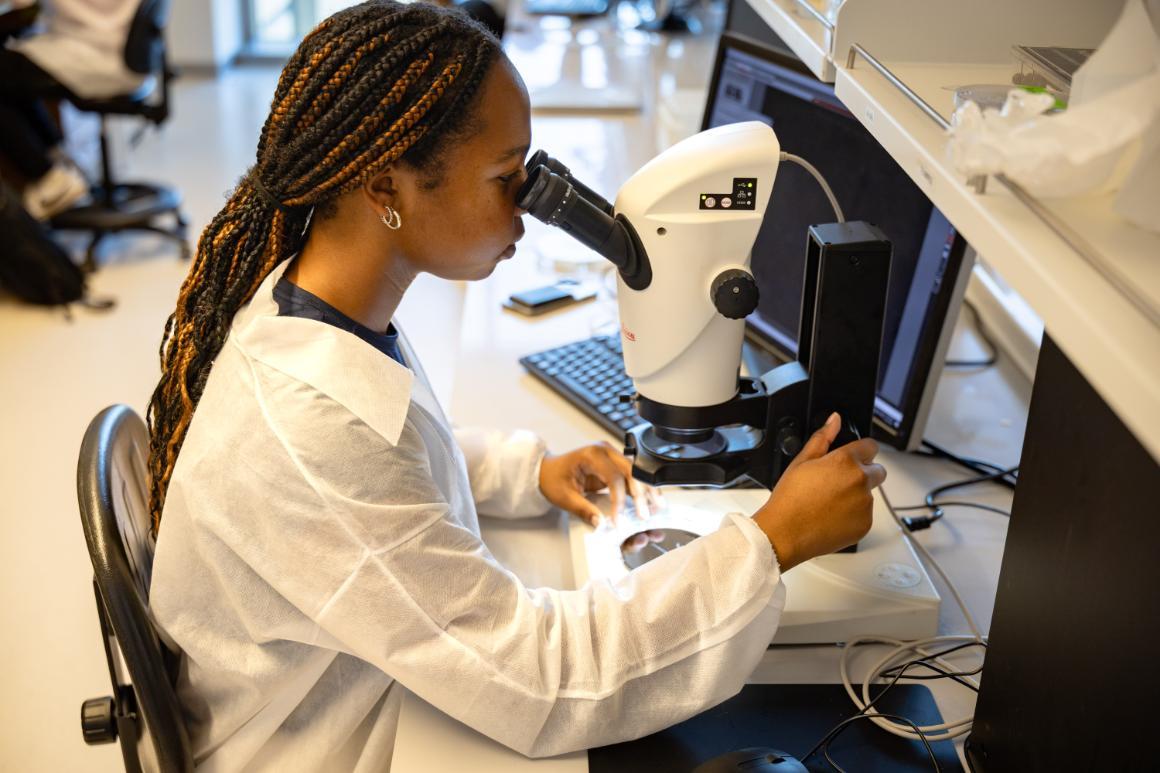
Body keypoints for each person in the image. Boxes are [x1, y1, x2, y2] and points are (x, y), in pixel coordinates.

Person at [147, 2, 885, 770]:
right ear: (384, 184)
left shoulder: (314, 301)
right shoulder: (308, 427)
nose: (525, 214)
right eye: (507, 179)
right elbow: (543, 679)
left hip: (361, 691)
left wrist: (524, 471)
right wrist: (773, 541)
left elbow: (382, 457)